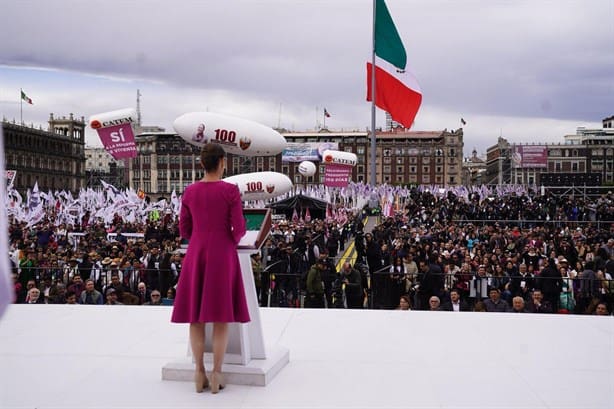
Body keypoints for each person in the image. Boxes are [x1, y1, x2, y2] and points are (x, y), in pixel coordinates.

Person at [171, 144, 250, 394]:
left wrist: (199, 238)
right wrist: (231, 238)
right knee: (220, 317)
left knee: (196, 318)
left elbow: (184, 229)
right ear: (222, 162)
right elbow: (238, 228)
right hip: (222, 254)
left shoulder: (190, 191)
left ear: (202, 163)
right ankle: (216, 373)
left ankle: (198, 373)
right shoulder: (230, 190)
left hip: (197, 252)